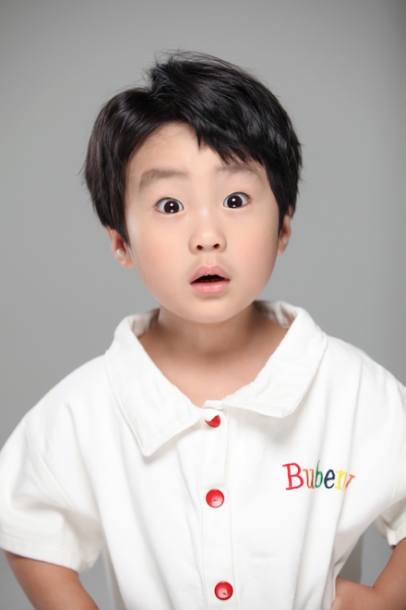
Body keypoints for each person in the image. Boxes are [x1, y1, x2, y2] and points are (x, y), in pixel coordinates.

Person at [0, 52, 405, 610]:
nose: (207, 235)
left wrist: (387, 597)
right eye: (170, 205)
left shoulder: (349, 387)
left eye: (236, 200)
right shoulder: (90, 404)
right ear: (121, 242)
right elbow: (27, 521)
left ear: (284, 226)